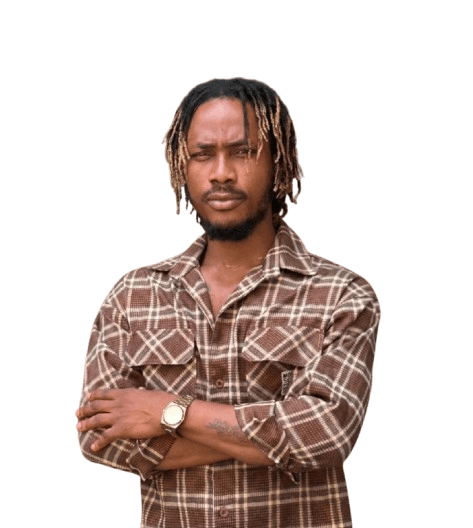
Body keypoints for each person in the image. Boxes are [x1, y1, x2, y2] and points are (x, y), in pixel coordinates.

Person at [76, 77, 381, 528]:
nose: (221, 172)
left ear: (278, 163)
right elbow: (99, 437)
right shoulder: (132, 295)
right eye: (203, 154)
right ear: (183, 166)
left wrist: (166, 412)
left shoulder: (342, 294)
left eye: (243, 151)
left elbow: (327, 433)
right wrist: (272, 438)